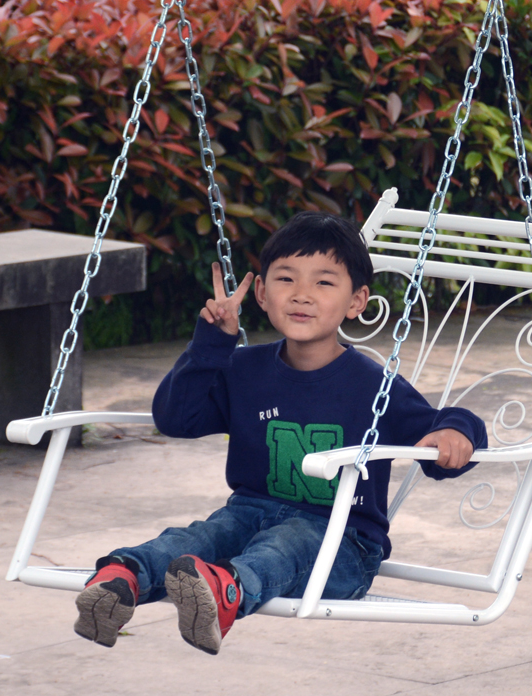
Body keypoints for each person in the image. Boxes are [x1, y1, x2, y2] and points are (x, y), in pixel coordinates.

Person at [74, 212, 487, 654]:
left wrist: (456, 432)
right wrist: (211, 344)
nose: (302, 295)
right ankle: (121, 579)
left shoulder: (373, 385)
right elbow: (176, 418)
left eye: (323, 283)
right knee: (199, 538)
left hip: (342, 544)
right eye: (286, 279)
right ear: (262, 294)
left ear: (356, 301)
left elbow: (441, 427)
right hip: (247, 516)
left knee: (287, 544)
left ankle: (226, 592)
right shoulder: (244, 369)